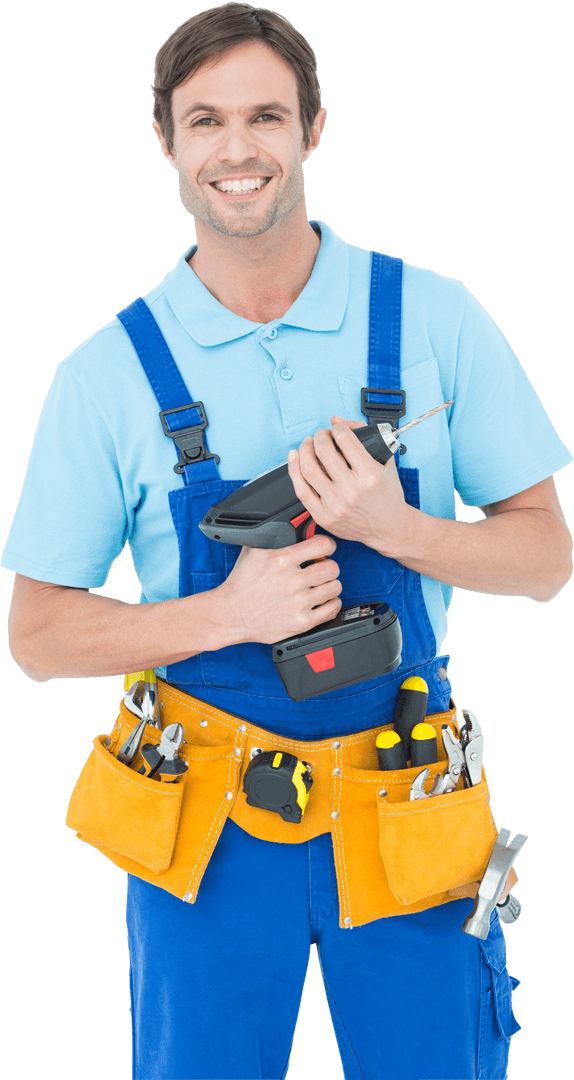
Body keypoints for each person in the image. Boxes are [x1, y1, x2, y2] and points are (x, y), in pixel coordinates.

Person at [3, 4, 572, 1079]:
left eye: (266, 114)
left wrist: (391, 528)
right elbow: (35, 636)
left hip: (408, 805)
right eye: (204, 119)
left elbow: (546, 559)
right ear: (168, 143)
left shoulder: (435, 319)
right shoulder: (106, 373)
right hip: (203, 831)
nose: (237, 147)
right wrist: (228, 614)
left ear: (313, 130)